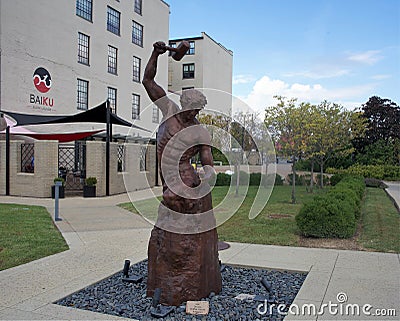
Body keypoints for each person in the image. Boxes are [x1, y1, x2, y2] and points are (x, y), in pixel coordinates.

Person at [142, 41, 221, 306]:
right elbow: (147, 80)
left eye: (197, 111)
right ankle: (168, 269)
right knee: (169, 214)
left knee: (178, 206)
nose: (193, 114)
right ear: (183, 103)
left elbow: (207, 158)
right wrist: (156, 52)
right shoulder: (169, 111)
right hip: (167, 173)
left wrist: (209, 173)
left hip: (184, 176)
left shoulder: (199, 131)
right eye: (191, 108)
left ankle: (183, 268)